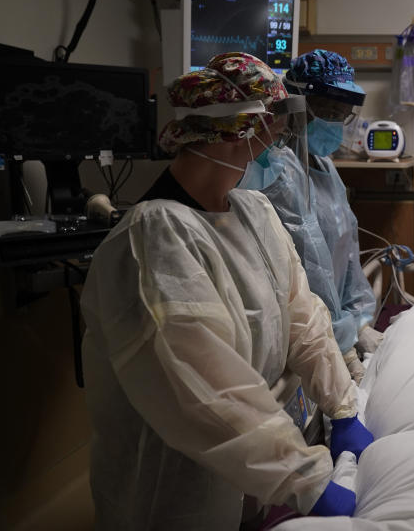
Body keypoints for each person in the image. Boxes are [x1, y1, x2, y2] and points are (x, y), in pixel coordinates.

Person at [80, 52, 374, 529]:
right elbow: (206, 390)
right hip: (172, 489)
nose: (280, 132)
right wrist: (306, 481)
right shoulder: (155, 237)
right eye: (272, 119)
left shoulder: (253, 212)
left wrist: (340, 405)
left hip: (249, 469)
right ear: (233, 127)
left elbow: (303, 315)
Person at [240, 49, 381, 383]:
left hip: (335, 329)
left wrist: (359, 324)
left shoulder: (326, 166)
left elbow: (346, 251)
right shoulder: (276, 169)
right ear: (298, 105)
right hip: (298, 334)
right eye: (327, 110)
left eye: (342, 114)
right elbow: (310, 262)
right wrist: (339, 341)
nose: (334, 122)